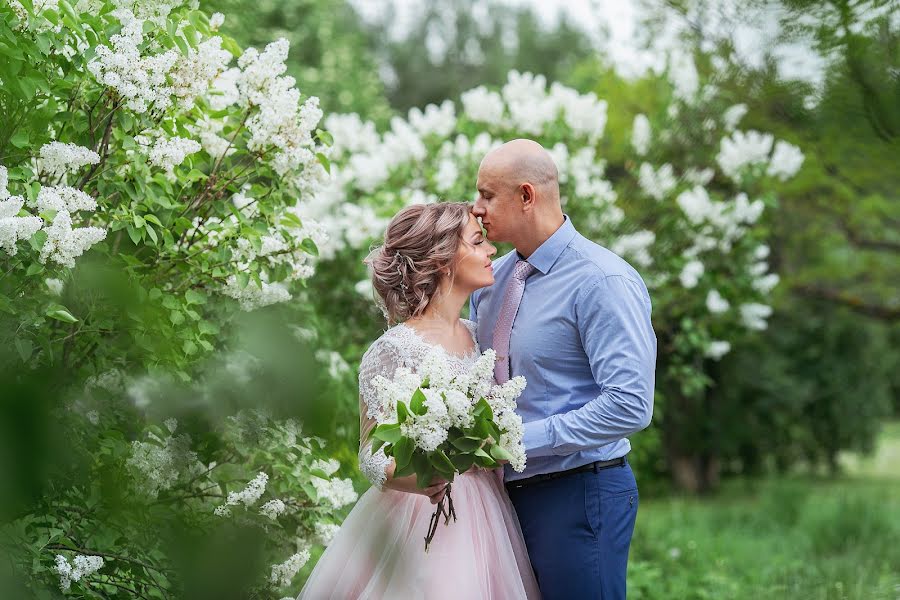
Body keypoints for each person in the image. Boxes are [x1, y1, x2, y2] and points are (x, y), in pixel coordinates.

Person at [298, 202, 540, 599]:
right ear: (443, 259)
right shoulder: (392, 349)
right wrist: (424, 478)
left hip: (488, 510)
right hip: (417, 515)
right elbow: (370, 456)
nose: (492, 250)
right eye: (478, 242)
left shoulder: (481, 335)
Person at [470, 139, 657, 600]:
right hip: (496, 501)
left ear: (527, 196)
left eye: (487, 196)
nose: (475, 210)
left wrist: (518, 442)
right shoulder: (489, 284)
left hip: (578, 493)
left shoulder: (602, 280)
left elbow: (631, 406)